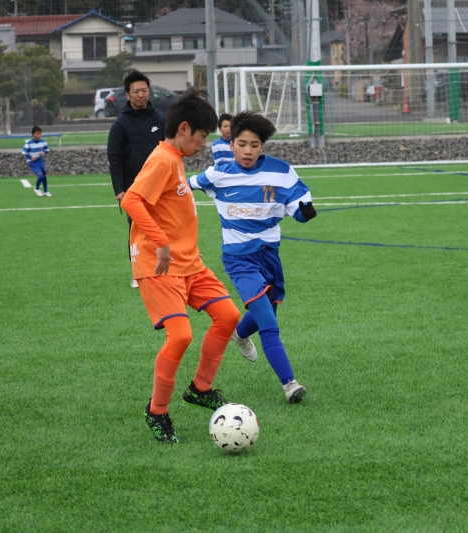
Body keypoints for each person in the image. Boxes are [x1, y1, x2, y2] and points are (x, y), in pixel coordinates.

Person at [121, 89, 241, 444]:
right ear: (184, 129)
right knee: (181, 336)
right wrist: (160, 241)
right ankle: (156, 411)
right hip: (160, 267)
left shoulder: (175, 159)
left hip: (191, 265)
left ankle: (200, 388)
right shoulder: (162, 159)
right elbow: (132, 200)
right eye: (202, 136)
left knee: (228, 316)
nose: (204, 144)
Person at [189, 111, 317, 403]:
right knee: (269, 323)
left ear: (262, 147)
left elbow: (298, 207)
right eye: (242, 144)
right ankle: (290, 384)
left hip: (269, 256)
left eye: (254, 145)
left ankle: (239, 333)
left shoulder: (281, 172)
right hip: (238, 260)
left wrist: (305, 213)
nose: (248, 150)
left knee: (268, 310)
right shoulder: (218, 174)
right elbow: (184, 185)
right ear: (231, 144)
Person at [107, 70, 165, 288]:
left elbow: (170, 151)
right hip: (134, 188)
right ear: (128, 94)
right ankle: (138, 273)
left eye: (144, 90)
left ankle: (165, 269)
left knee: (164, 228)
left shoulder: (160, 120)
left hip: (160, 187)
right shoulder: (120, 124)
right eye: (136, 91)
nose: (141, 95)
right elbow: (114, 158)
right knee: (137, 231)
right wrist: (119, 190)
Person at [23, 126, 51, 197]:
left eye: (40, 133)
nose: (39, 135)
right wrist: (31, 157)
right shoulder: (29, 143)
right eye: (37, 133)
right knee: (40, 176)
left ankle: (45, 191)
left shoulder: (43, 142)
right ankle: (37, 188)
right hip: (32, 162)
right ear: (32, 134)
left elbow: (47, 150)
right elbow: (23, 152)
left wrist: (44, 152)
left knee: (44, 175)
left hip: (40, 160)